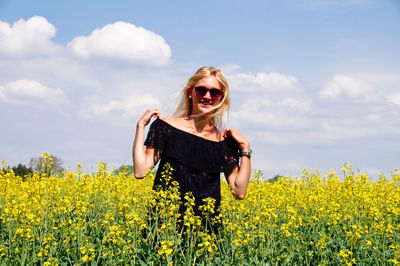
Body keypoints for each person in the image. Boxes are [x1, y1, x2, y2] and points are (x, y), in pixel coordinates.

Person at [132, 66, 251, 231]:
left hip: (205, 234)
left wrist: (245, 149)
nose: (207, 96)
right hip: (165, 228)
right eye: (201, 90)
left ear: (221, 98)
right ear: (190, 92)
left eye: (215, 93)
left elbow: (239, 191)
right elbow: (140, 170)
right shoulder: (166, 128)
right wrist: (141, 126)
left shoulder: (223, 142)